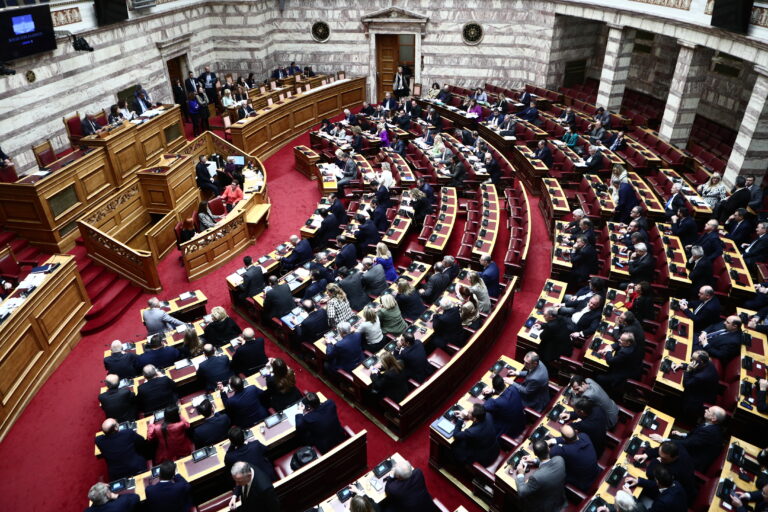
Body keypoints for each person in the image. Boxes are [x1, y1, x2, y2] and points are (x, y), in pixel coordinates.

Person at [628, 441, 695, 504]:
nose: (661, 458)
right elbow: (660, 450)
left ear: (674, 457)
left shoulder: (675, 471)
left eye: (664, 458)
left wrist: (656, 460)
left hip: (675, 496)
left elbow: (650, 474)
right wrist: (646, 455)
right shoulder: (675, 447)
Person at [513, 440, 567, 511]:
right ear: (548, 449)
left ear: (535, 454)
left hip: (545, 508)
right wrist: (534, 461)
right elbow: (549, 461)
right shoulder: (560, 459)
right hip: (560, 499)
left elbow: (522, 492)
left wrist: (520, 473)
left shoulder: (536, 477)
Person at [546, 425, 599, 491]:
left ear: (564, 439)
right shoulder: (584, 436)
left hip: (584, 482)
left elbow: (553, 452)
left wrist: (551, 442)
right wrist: (552, 441)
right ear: (576, 432)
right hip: (595, 471)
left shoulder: (567, 450)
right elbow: (570, 439)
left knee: (555, 472)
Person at [595, 332, 644, 398]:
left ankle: (602, 395)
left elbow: (610, 361)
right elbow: (618, 344)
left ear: (628, 343)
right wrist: (609, 347)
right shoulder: (632, 343)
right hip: (629, 367)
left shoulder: (625, 352)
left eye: (621, 340)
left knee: (599, 377)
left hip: (624, 375)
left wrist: (608, 351)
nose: (619, 340)